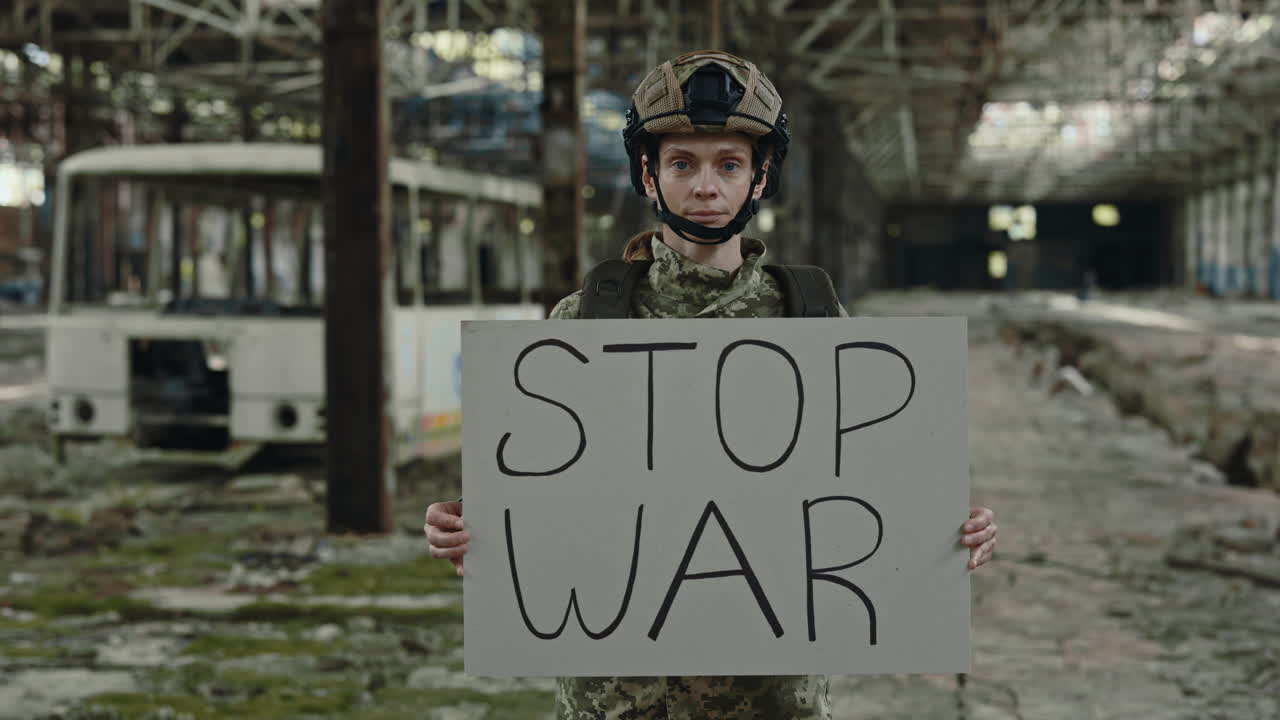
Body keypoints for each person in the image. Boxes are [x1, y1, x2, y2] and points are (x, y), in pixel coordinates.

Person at [425, 50, 998, 720]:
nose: (705, 187)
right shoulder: (582, 323)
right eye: (681, 164)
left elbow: (875, 492)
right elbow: (537, 495)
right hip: (618, 699)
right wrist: (466, 527)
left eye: (729, 164)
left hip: (770, 697)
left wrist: (946, 530)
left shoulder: (812, 320)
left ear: (760, 177)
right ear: (649, 174)